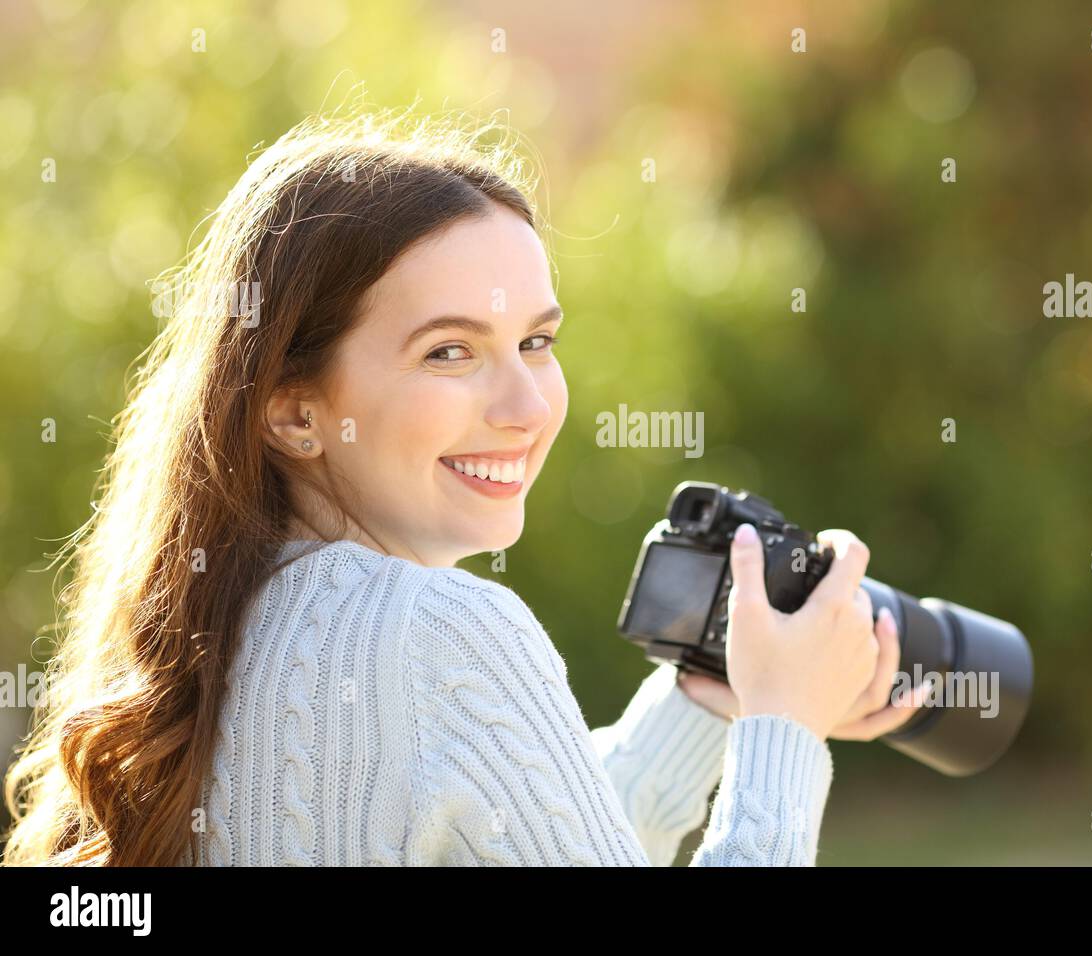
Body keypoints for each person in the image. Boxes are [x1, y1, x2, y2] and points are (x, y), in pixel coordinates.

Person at [2, 107, 925, 867]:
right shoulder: (444, 630)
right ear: (293, 411)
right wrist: (784, 733)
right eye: (450, 352)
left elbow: (521, 830)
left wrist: (704, 707)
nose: (526, 406)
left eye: (536, 343)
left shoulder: (219, 618)